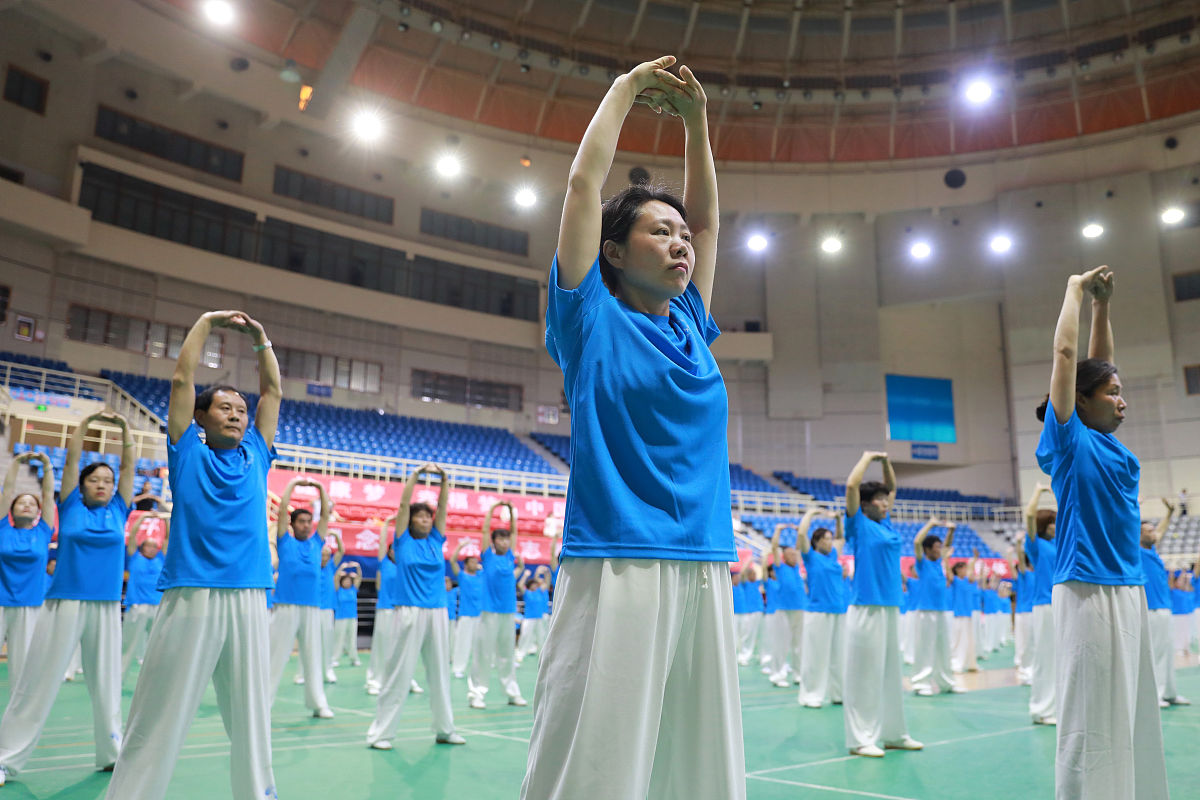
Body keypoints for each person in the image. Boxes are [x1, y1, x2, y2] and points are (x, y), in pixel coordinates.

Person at [521, 55, 744, 800]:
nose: (682, 243)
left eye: (682, 235)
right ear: (613, 253)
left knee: (696, 762)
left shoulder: (688, 322)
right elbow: (584, 188)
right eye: (659, 232)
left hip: (706, 561)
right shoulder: (590, 317)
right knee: (592, 760)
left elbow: (710, 220)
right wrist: (624, 90)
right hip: (615, 563)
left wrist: (696, 120)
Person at [103, 309, 282, 800]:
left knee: (251, 717)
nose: (237, 414)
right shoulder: (187, 450)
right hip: (191, 594)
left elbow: (273, 394)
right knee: (158, 712)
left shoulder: (257, 456)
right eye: (225, 407)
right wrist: (207, 321)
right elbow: (182, 378)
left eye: (241, 410)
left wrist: (261, 338)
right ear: (201, 418)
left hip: (248, 595)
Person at [1036, 265, 1167, 799]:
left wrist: (1103, 308)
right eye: (1112, 393)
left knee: (1130, 718)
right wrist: (1073, 289)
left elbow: (1096, 365)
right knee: (1089, 722)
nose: (1121, 399)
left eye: (1121, 391)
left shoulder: (1114, 445)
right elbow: (1070, 360)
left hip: (1128, 587)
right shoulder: (1070, 442)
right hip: (1085, 588)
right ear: (1082, 401)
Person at [0, 410, 133, 786]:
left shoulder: (119, 510)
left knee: (107, 685)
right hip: (65, 604)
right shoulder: (70, 505)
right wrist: (89, 423)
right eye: (97, 480)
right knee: (37, 682)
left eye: (109, 481)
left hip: (107, 606)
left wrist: (125, 431)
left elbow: (128, 467)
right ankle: (6, 759)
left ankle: (111, 755)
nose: (104, 485)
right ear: (83, 485)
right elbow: (72, 458)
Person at [366, 462, 464, 749]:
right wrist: (416, 477)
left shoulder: (436, 539)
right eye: (419, 517)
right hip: (408, 612)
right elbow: (403, 503)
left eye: (427, 517)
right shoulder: (403, 541)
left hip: (437, 612)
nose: (425, 520)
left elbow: (443, 507)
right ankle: (381, 734)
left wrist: (444, 479)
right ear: (410, 521)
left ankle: (445, 729)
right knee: (398, 673)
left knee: (439, 674)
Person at [841, 450, 922, 758]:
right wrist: (867, 458)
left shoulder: (886, 523)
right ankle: (861, 738)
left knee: (890, 673)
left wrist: (886, 462)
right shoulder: (858, 523)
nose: (885, 502)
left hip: (890, 606)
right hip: (866, 607)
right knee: (865, 675)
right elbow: (851, 487)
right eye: (879, 499)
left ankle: (893, 733)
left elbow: (893, 488)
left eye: (886, 499)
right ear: (865, 504)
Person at [267, 476, 334, 718]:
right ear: (293, 525)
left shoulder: (317, 542)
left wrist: (319, 488)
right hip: (285, 607)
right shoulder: (285, 541)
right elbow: (283, 510)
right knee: (275, 657)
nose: (306, 525)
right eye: (301, 522)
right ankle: (264, 702)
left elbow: (325, 515)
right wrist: (292, 485)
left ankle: (318, 704)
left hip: (311, 608)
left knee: (313, 658)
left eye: (309, 522)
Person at [0, 451, 56, 689]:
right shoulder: (3, 528)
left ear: (38, 512)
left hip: (30, 604)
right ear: (11, 510)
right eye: (21, 502)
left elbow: (48, 495)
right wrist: (16, 462)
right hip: (0, 602)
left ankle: (17, 716)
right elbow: (7, 489)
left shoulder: (42, 532)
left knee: (23, 666)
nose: (26, 504)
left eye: (31, 503)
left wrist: (46, 465)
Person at [468, 501, 526, 709]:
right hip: (489, 611)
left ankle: (512, 692)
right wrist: (493, 510)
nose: (505, 541)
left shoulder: (511, 557)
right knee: (483, 653)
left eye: (506, 538)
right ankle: (476, 693)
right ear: (493, 542)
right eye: (500, 538)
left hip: (508, 612)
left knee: (507, 654)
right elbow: (485, 530)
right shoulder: (488, 556)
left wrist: (510, 511)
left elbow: (514, 530)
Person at [798, 516, 847, 708]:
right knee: (816, 656)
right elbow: (802, 533)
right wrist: (811, 513)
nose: (830, 541)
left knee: (838, 655)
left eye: (830, 538)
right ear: (817, 542)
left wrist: (837, 520)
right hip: (818, 611)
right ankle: (811, 695)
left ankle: (838, 693)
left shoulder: (833, 556)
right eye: (825, 538)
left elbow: (841, 538)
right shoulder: (810, 557)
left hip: (838, 610)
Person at [911, 518, 962, 696]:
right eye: (936, 547)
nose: (940, 550)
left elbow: (947, 546)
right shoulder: (922, 562)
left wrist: (951, 531)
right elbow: (917, 541)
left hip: (942, 611)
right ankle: (921, 683)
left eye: (940, 548)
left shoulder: (939, 563)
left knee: (944, 649)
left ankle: (947, 683)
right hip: (926, 611)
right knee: (925, 648)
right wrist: (931, 524)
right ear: (927, 550)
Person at [1023, 483, 1057, 725]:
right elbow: (1028, 515)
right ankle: (1041, 709)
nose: (1056, 526)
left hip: (1060, 603)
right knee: (1045, 657)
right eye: (1052, 522)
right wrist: (1038, 491)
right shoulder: (1036, 546)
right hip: (1044, 605)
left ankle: (1057, 706)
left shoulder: (1057, 544)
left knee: (1059, 657)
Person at [121, 508, 169, 679]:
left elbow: (167, 538)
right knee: (128, 645)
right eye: (149, 545)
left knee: (157, 646)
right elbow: (133, 536)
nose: (153, 548)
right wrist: (143, 517)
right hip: (137, 605)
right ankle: (119, 678)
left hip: (157, 606)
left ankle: (156, 679)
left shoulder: (160, 558)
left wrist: (164, 520)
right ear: (142, 547)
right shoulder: (135, 556)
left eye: (155, 546)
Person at [767, 515, 810, 689]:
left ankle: (799, 674)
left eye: (795, 554)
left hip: (800, 609)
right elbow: (774, 547)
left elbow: (800, 546)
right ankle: (777, 675)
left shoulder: (798, 569)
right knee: (781, 644)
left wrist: (799, 531)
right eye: (790, 554)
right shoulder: (780, 567)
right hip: (783, 610)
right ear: (784, 557)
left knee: (799, 645)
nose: (794, 556)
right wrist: (778, 530)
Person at [366, 517, 398, 696]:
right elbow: (382, 542)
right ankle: (374, 680)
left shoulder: (405, 564)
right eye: (392, 549)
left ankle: (403, 680)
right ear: (389, 552)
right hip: (385, 609)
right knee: (381, 646)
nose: (396, 552)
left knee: (401, 647)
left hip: (401, 610)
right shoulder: (384, 563)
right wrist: (387, 523)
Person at [449, 539, 483, 679]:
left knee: (479, 645)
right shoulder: (462, 576)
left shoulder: (482, 575)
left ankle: (477, 670)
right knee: (462, 643)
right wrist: (461, 546)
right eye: (473, 562)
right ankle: (458, 668)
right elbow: (452, 561)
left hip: (480, 616)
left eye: (477, 561)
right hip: (466, 615)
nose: (476, 564)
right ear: (467, 564)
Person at [1009, 544, 1035, 685]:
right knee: (1025, 641)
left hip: (1035, 611)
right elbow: (1021, 560)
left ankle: (1030, 669)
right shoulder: (1024, 575)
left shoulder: (1037, 573)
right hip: (1024, 612)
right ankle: (1025, 670)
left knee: (1032, 642)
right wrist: (1018, 545)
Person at [332, 563, 363, 668]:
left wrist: (357, 567)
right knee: (338, 639)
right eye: (345, 580)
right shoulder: (338, 590)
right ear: (342, 582)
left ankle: (354, 659)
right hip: (340, 618)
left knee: (352, 639)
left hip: (352, 618)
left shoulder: (353, 589)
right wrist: (341, 568)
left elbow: (359, 577)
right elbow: (335, 578)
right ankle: (335, 659)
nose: (347, 582)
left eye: (349, 581)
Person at [516, 571, 550, 664]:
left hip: (539, 619)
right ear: (530, 585)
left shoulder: (540, 591)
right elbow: (519, 584)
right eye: (533, 585)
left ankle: (542, 655)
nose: (535, 586)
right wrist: (525, 575)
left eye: (536, 585)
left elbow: (546, 583)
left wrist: (546, 574)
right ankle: (520, 653)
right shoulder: (526, 593)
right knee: (525, 636)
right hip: (528, 618)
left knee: (541, 637)